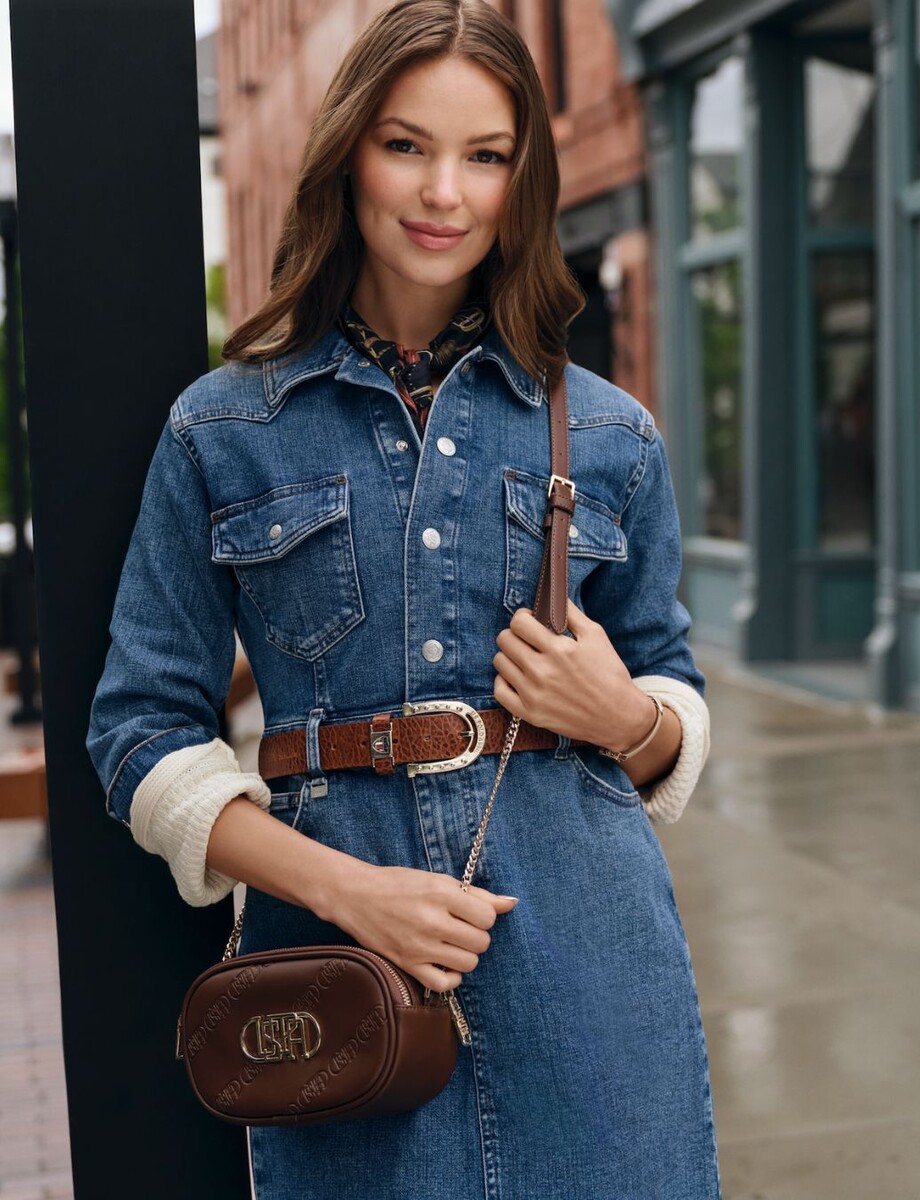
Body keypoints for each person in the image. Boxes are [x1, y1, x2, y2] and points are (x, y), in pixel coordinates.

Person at [86, 0, 721, 1196]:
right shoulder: (222, 428)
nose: (445, 194)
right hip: (338, 975)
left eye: (486, 156)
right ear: (348, 155)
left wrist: (626, 716)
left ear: (521, 182)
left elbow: (670, 685)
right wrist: (343, 892)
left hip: (589, 958)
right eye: (407, 144)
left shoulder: (614, 434)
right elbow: (137, 733)